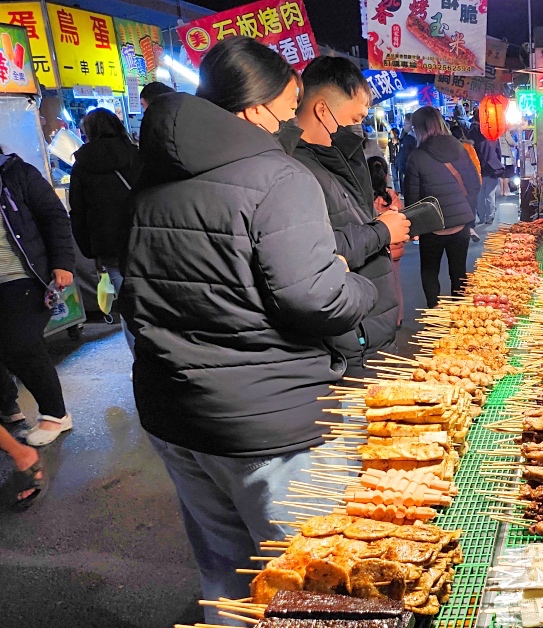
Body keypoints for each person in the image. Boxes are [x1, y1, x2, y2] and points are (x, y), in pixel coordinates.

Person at [121, 36, 376, 619]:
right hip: (269, 429)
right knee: (316, 581)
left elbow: (140, 294)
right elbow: (315, 298)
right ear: (257, 109)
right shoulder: (277, 177)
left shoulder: (152, 178)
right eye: (289, 109)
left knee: (227, 576)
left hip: (175, 414)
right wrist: (354, 284)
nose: (293, 121)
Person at [278, 55, 410, 377]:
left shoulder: (343, 156)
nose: (360, 127)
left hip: (373, 327)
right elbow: (316, 254)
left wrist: (379, 217)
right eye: (355, 117)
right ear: (323, 111)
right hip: (350, 341)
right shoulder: (292, 170)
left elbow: (349, 217)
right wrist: (381, 231)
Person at [0, 115, 75, 448]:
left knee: (22, 346)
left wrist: (63, 263)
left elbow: (54, 216)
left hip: (21, 276)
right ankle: (8, 406)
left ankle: (56, 415)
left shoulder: (16, 173)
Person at [69, 108, 142, 354]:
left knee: (127, 303)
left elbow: (77, 211)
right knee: (154, 298)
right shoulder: (136, 155)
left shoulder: (81, 165)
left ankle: (139, 358)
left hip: (109, 247)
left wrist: (91, 251)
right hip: (144, 239)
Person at [404, 105, 480, 308]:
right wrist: (467, 213)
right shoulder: (460, 148)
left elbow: (412, 197)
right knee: (459, 271)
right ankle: (460, 313)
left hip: (432, 226)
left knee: (430, 270)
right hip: (460, 224)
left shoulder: (416, 156)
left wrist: (413, 228)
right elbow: (474, 183)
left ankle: (434, 312)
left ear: (419, 128)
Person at [368, 155, 405, 328]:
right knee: (395, 282)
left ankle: (382, 320)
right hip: (396, 246)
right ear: (385, 174)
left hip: (378, 247)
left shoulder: (366, 197)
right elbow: (402, 215)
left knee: (379, 285)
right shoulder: (391, 195)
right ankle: (399, 317)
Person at [474, 130, 504, 225]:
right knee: (490, 194)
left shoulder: (474, 135)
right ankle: (489, 217)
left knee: (480, 194)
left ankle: (482, 217)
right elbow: (499, 153)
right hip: (492, 168)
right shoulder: (493, 137)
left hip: (480, 169)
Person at [395, 116, 417, 193]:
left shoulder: (410, 139)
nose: (404, 125)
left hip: (407, 172)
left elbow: (404, 156)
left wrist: (402, 168)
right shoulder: (408, 138)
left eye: (406, 123)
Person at [499, 126, 519, 196]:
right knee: (507, 174)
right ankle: (506, 191)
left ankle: (501, 191)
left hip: (500, 155)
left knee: (501, 175)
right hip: (506, 155)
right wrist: (516, 144)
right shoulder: (505, 132)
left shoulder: (497, 132)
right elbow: (511, 143)